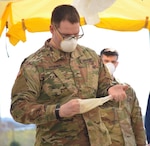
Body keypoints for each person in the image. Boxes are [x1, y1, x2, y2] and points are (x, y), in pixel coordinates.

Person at [10, 5, 128, 146]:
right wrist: (59, 111)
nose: (72, 40)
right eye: (66, 36)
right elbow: (18, 109)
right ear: (52, 29)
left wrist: (111, 90)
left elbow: (104, 85)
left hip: (98, 140)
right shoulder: (34, 65)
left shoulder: (90, 56)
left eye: (76, 35)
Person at [100, 48, 146, 146]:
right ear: (99, 62)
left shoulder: (127, 90)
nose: (109, 64)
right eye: (106, 61)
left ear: (116, 64)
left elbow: (137, 121)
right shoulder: (91, 90)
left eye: (113, 62)